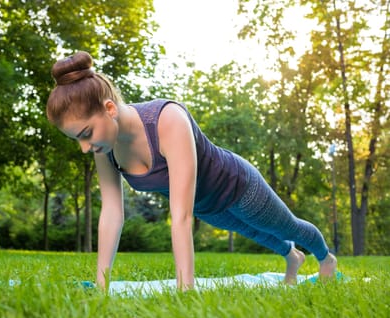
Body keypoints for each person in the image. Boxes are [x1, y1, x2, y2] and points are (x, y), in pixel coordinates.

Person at [46, 51, 337, 291]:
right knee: (255, 233)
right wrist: (102, 285)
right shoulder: (103, 146)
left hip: (238, 186)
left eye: (86, 134)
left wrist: (186, 290)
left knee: (286, 227)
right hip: (207, 206)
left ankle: (326, 260)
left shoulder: (167, 120)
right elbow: (112, 214)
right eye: (78, 140)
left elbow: (180, 217)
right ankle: (293, 258)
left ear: (109, 108)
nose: (84, 147)